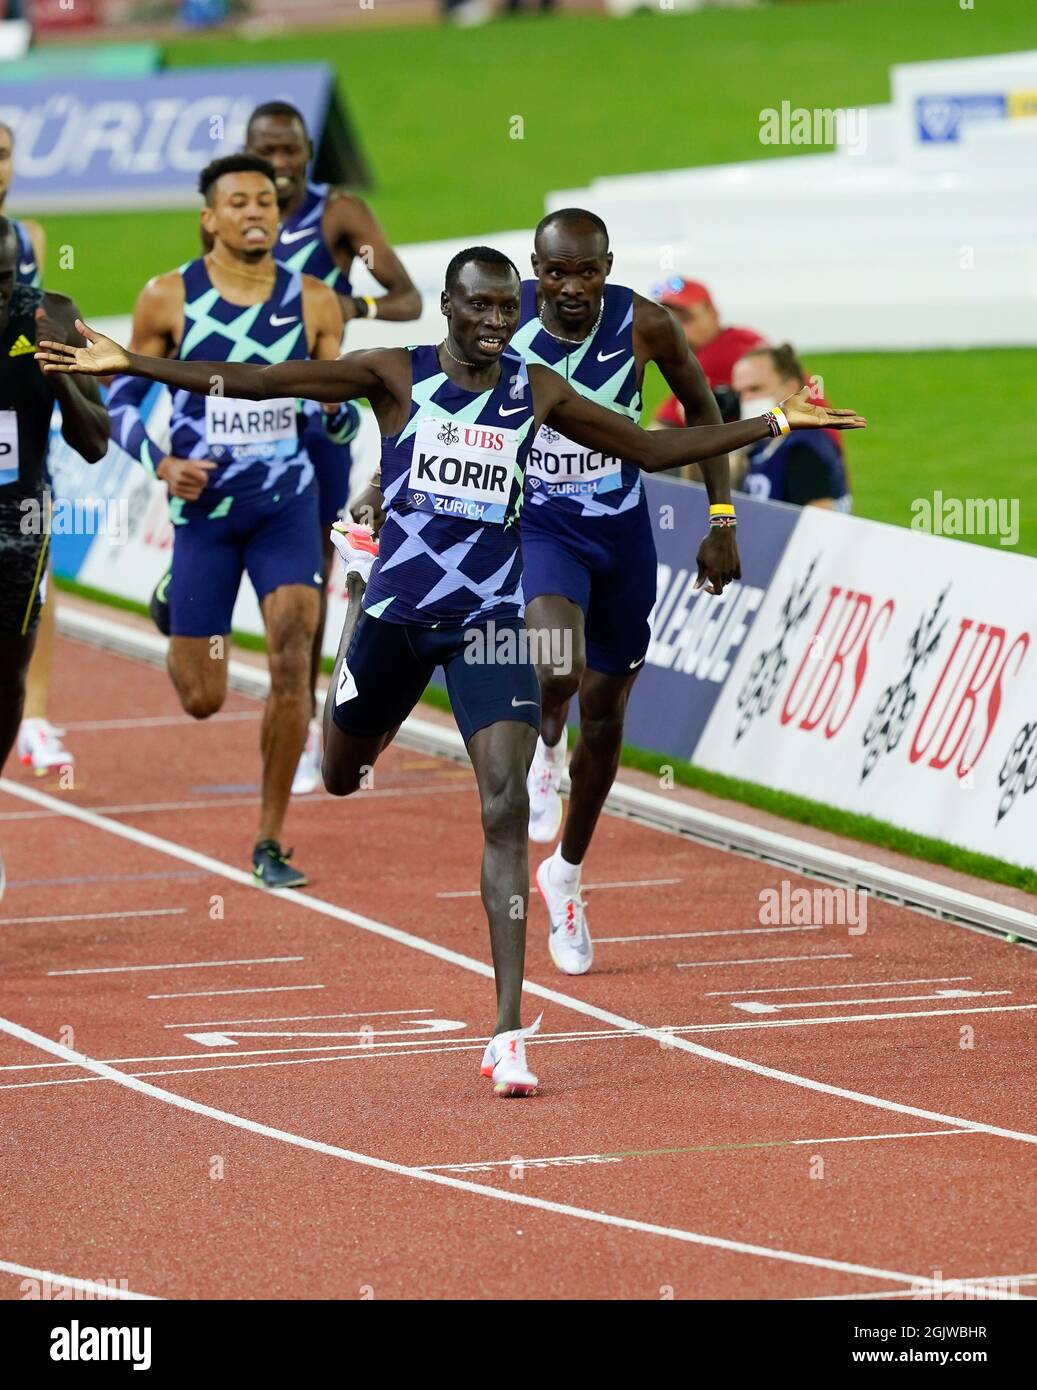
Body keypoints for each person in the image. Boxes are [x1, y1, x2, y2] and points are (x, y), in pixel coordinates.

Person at [37, 246, 866, 1096]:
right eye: (481, 308)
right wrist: (133, 361)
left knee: (504, 807)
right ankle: (355, 620)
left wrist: (774, 423)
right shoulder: (392, 374)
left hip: (487, 625)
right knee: (343, 772)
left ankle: (508, 1031)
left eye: (509, 308)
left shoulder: (535, 390)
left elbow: (649, 449)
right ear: (448, 307)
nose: (497, 322)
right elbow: (263, 380)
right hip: (394, 621)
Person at [103, 153, 349, 889]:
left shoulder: (314, 301)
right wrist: (157, 460)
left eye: (267, 203)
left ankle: (269, 838)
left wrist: (333, 416)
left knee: (293, 650)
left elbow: (336, 424)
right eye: (237, 202)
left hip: (285, 508)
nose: (255, 213)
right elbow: (118, 397)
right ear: (209, 217)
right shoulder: (167, 297)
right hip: (203, 513)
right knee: (203, 698)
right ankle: (176, 591)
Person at [510, 209, 736, 975]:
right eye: (555, 272)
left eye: (586, 272)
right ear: (532, 269)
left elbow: (703, 412)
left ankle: (565, 874)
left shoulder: (645, 324)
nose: (571, 288)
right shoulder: (501, 327)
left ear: (607, 267)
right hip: (541, 526)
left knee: (604, 721)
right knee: (555, 669)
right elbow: (439, 412)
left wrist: (721, 518)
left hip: (619, 535)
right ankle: (544, 744)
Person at [243, 101, 422, 795]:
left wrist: (350, 305)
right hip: (245, 416)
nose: (280, 165)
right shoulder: (235, 211)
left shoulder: (336, 215)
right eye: (267, 151)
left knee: (311, 571)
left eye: (291, 151)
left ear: (309, 151)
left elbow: (405, 297)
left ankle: (313, 712)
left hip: (316, 416)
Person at [0, 218, 108, 773]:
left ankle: (32, 724)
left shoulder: (45, 301)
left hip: (20, 504)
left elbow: (94, 442)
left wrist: (61, 378)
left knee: (11, 662)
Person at [1, 120, 78, 773]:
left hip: (21, 441)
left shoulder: (30, 238)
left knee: (36, 581)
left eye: (1, 155)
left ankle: (35, 715)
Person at [732, 343, 851, 511]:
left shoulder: (803, 450)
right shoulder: (764, 444)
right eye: (740, 393)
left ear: (791, 389)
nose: (746, 400)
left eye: (755, 389)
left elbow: (819, 525)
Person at [652, 277, 765, 427]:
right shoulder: (743, 337)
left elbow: (664, 424)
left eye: (686, 318)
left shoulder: (720, 354)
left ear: (713, 314)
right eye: (670, 320)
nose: (676, 328)